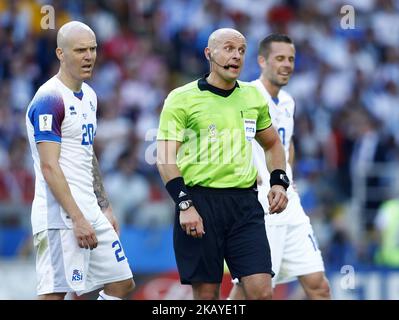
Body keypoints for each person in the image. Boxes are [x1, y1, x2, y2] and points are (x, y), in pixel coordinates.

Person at [156, 28, 289, 300]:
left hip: (244, 204)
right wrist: (185, 205)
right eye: (228, 48)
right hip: (200, 203)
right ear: (209, 53)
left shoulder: (252, 97)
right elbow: (165, 158)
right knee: (207, 295)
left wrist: (279, 181)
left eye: (241, 50)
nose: (236, 56)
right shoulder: (181, 98)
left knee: (261, 291)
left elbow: (273, 143)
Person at [25, 21, 135, 300]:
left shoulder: (90, 96)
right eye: (80, 50)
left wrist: (104, 206)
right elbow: (50, 166)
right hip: (60, 216)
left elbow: (88, 155)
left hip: (90, 210)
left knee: (121, 283)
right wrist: (77, 217)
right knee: (55, 295)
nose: (89, 56)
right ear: (60, 53)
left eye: (93, 49)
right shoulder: (49, 98)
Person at [228, 34, 331, 300]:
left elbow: (286, 144)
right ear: (262, 61)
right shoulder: (246, 95)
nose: (287, 64)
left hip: (288, 200)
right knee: (254, 291)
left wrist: (286, 177)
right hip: (259, 204)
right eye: (280, 58)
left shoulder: (288, 101)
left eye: (291, 59)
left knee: (319, 285)